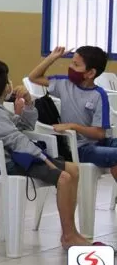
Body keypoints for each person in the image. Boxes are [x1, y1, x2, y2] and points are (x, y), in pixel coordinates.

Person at [0, 60, 91, 248]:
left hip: (11, 156)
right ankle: (68, 236)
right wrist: (45, 159)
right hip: (1, 164)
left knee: (73, 169)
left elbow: (24, 127)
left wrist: (28, 103)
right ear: (5, 87)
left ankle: (71, 231)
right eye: (8, 80)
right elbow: (18, 140)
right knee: (65, 177)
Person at [28, 46, 117, 178]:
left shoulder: (99, 95)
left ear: (91, 73)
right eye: (71, 62)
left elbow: (100, 133)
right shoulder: (64, 84)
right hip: (80, 148)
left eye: (76, 64)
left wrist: (74, 126)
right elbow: (33, 77)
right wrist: (52, 58)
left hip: (100, 142)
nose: (70, 67)